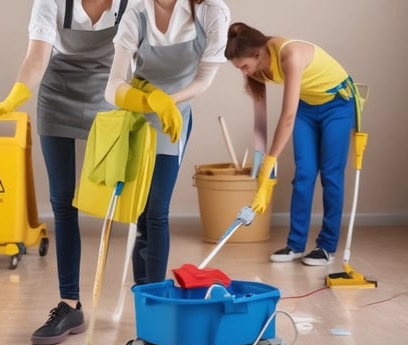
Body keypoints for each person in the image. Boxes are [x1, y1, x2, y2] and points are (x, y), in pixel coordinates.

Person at [0, 0, 131, 345]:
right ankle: (69, 304)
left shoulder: (132, 2)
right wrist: (11, 100)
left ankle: (146, 300)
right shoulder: (51, 1)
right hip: (57, 95)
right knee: (63, 201)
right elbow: (37, 58)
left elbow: (139, 53)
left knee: (122, 201)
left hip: (110, 95)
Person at [104, 0, 230, 285]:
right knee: (141, 212)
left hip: (174, 119)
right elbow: (113, 86)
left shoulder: (212, 11)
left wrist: (168, 103)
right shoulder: (136, 14)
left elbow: (204, 80)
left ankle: (156, 294)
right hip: (137, 116)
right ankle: (143, 292)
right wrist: (151, 101)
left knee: (157, 211)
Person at [224, 22, 362, 266]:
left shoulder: (290, 54)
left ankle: (326, 247)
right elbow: (261, 116)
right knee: (304, 174)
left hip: (338, 104)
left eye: (244, 66)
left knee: (331, 175)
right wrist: (261, 157)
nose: (244, 72)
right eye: (238, 69)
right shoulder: (256, 68)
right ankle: (295, 244)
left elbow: (287, 117)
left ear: (258, 53)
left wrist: (271, 160)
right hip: (307, 107)